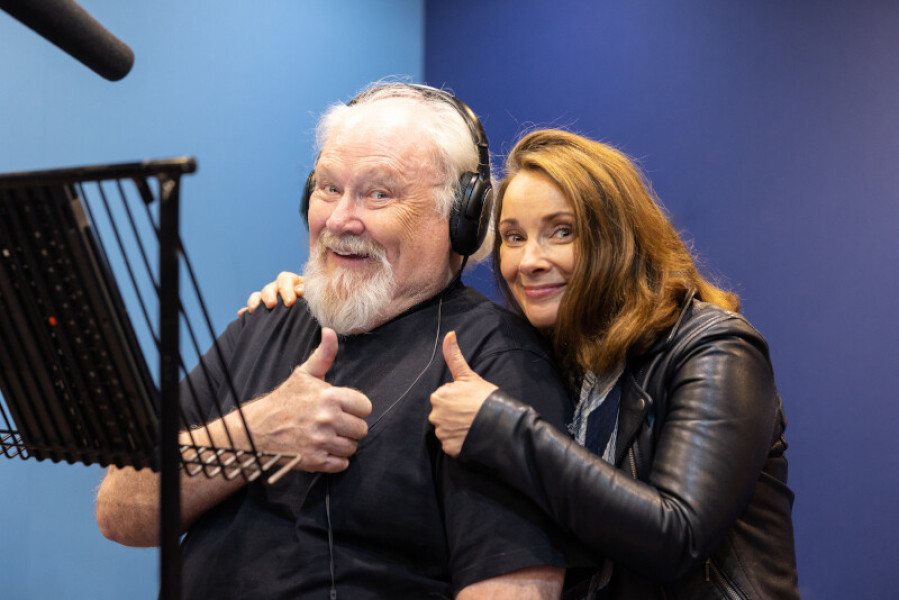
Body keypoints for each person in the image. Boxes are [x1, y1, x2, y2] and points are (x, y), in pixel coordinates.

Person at [253, 129, 801, 599]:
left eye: (562, 232)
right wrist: (323, 290)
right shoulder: (560, 354)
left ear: (618, 238)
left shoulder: (716, 349)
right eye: (514, 237)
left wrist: (501, 425)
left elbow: (675, 537)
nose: (530, 260)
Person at [95, 84, 581, 599]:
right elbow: (120, 510)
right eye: (328, 189)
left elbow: (515, 591)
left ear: (460, 219)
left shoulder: (494, 364)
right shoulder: (267, 319)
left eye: (379, 194)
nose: (341, 220)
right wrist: (257, 432)